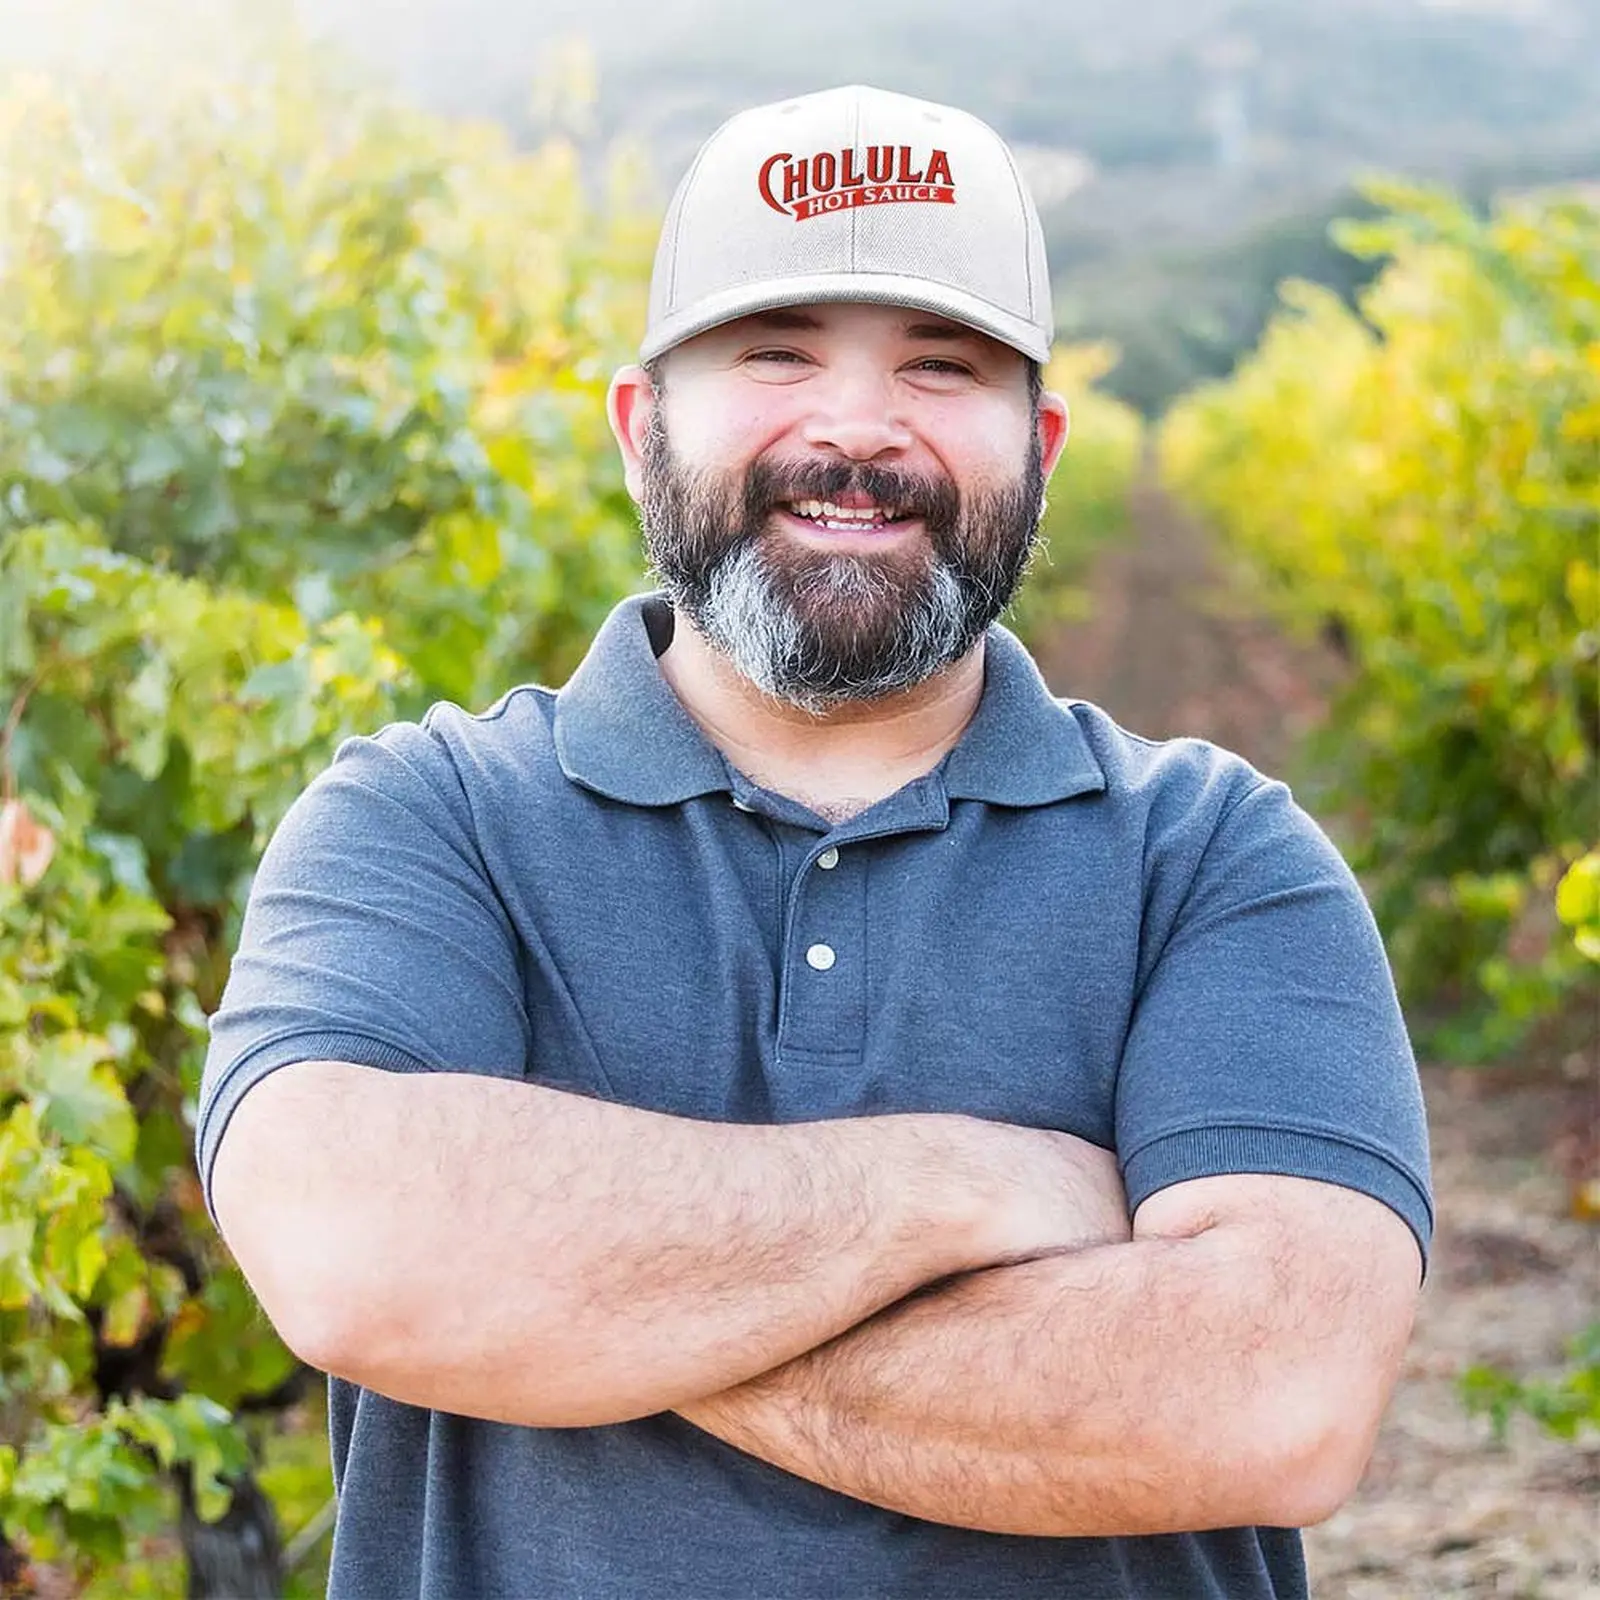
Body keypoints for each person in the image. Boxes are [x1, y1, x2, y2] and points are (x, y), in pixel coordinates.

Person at [199, 83, 1432, 1600]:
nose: (858, 428)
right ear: (642, 429)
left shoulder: (1217, 858)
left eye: (941, 365)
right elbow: (352, 1249)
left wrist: (565, 1304)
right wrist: (966, 1191)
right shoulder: (422, 819)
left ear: (1039, 445)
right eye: (775, 354)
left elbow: (1267, 1398)